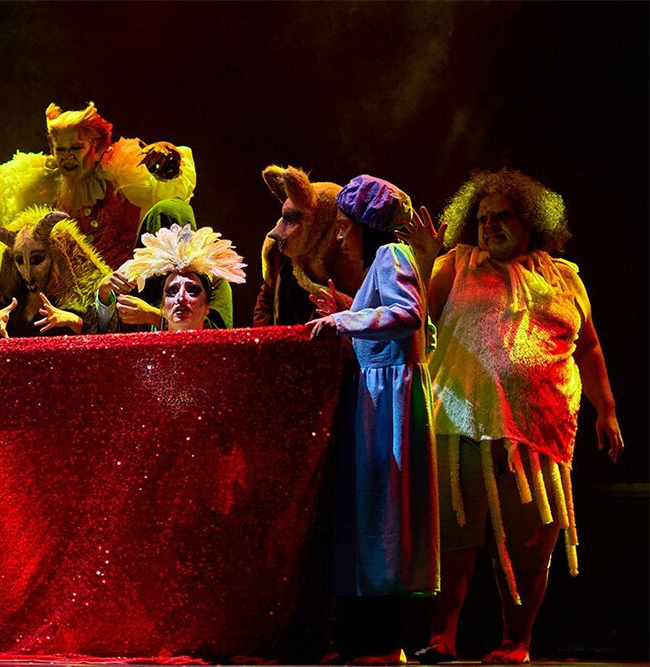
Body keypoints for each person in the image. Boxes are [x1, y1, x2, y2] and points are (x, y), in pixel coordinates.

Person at [411, 169, 624, 665]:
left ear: (531, 221)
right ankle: (443, 637)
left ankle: (516, 642)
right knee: (453, 538)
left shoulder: (564, 277)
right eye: (483, 218)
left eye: (502, 216)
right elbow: (415, 315)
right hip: (459, 422)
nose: (490, 226)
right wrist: (423, 260)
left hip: (538, 431)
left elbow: (589, 346)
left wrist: (608, 411)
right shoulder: (457, 264)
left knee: (530, 542)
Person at [308, 175, 439, 665]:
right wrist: (350, 309)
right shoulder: (383, 264)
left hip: (388, 401)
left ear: (366, 225)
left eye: (345, 225)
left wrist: (344, 321)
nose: (340, 235)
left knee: (385, 511)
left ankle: (384, 643)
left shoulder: (392, 254)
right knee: (371, 513)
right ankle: (364, 640)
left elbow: (410, 314)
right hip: (379, 394)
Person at [0, 101, 196, 270]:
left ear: (97, 148)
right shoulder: (40, 184)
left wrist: (168, 164)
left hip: (125, 289)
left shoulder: (124, 172)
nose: (66, 157)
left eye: (76, 148)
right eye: (60, 149)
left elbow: (171, 199)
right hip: (62, 300)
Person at [0, 207, 110, 338]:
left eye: (37, 260)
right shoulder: (10, 300)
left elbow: (104, 335)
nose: (28, 274)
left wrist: (74, 322)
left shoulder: (78, 301)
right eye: (20, 261)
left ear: (58, 256)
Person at [96, 198, 234, 331]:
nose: (168, 242)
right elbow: (107, 331)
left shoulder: (213, 280)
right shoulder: (135, 278)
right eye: (160, 234)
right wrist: (104, 294)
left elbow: (217, 334)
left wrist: (154, 317)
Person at [253, 165, 358, 327]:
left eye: (289, 219)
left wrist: (342, 313)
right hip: (285, 339)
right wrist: (263, 337)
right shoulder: (279, 254)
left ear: (318, 224)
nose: (275, 233)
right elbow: (267, 299)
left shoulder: (353, 262)